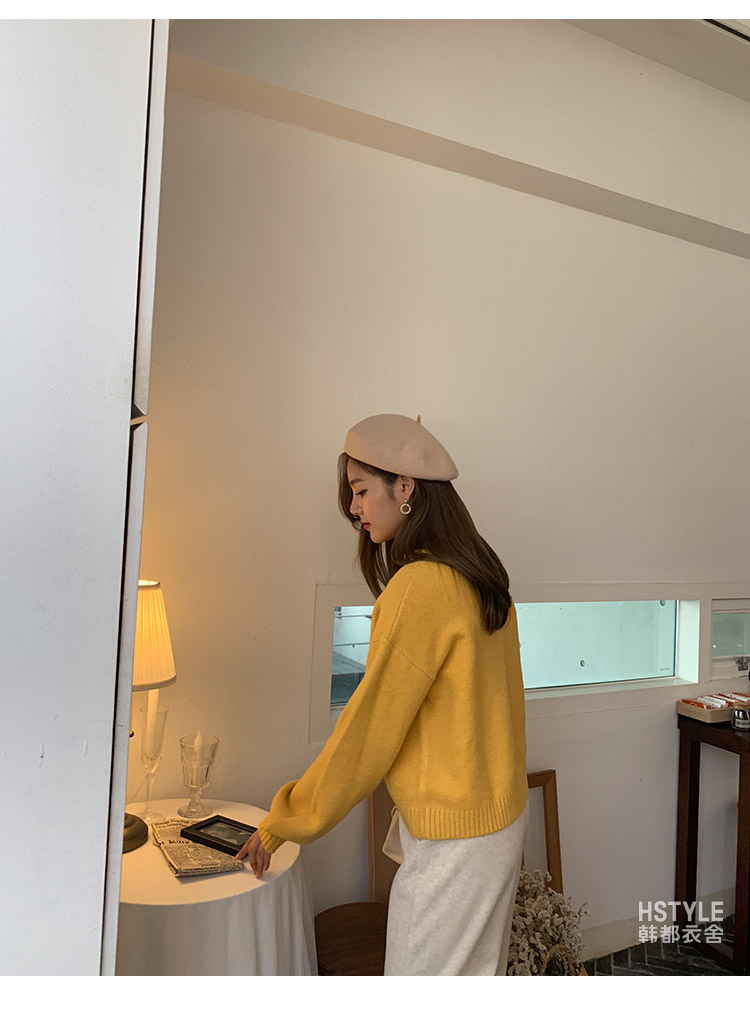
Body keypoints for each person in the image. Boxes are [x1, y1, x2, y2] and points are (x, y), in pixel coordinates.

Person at [236, 413, 528, 975]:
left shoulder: (420, 588)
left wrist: (284, 820)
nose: (354, 507)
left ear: (406, 487)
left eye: (361, 489)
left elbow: (367, 733)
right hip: (497, 826)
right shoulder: (481, 574)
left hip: (455, 842)